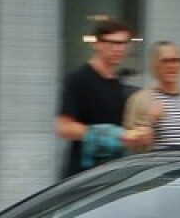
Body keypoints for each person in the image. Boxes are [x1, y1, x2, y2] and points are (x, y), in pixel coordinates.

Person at [55, 18, 152, 177]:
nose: (119, 49)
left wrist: (139, 135)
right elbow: (63, 127)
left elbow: (124, 130)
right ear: (97, 44)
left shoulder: (119, 83)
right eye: (112, 43)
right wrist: (109, 134)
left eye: (123, 43)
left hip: (113, 174)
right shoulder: (78, 79)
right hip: (82, 176)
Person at [123, 41, 180, 149]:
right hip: (159, 164)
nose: (172, 66)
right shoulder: (140, 100)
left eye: (177, 61)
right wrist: (149, 120)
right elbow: (131, 145)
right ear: (154, 65)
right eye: (166, 61)